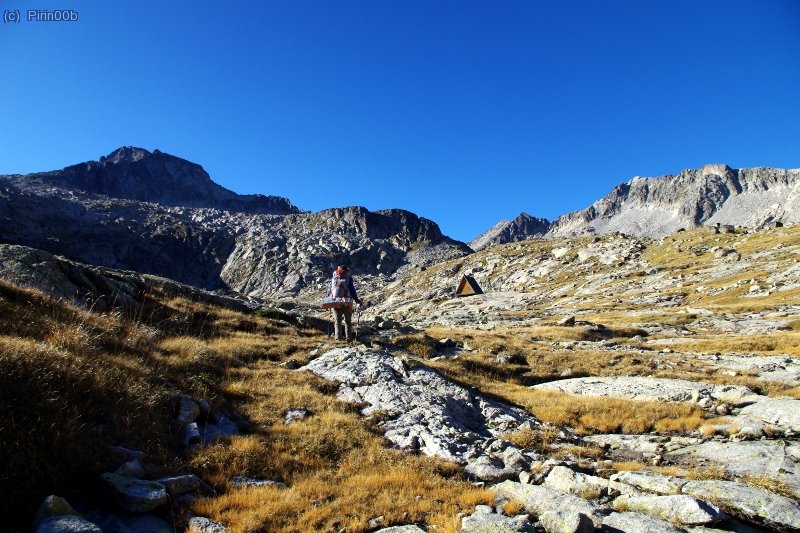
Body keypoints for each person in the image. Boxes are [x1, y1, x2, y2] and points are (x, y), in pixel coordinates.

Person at [327, 264, 362, 342]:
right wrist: (356, 300)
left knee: (337, 321)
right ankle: (348, 339)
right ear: (346, 270)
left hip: (335, 301)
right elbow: (352, 290)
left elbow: (329, 290)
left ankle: (338, 339)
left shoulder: (334, 278)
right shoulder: (348, 278)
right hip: (347, 302)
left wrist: (330, 299)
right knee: (348, 321)